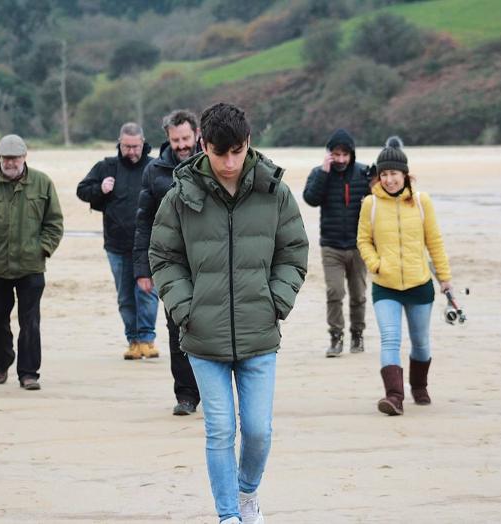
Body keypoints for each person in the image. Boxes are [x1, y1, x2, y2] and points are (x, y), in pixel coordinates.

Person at [149, 103, 308, 524]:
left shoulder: (274, 191)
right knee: (220, 429)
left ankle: (246, 493)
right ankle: (228, 517)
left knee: (257, 431)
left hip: (259, 334)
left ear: (248, 143)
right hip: (203, 336)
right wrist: (186, 308)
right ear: (204, 145)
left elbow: (293, 251)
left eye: (237, 151)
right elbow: (164, 256)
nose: (230, 162)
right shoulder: (180, 195)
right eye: (221, 153)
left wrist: (276, 301)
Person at [0, 134, 64, 390]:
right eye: (5, 158)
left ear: (24, 157)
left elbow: (55, 223)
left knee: (30, 322)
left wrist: (43, 249)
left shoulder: (42, 183)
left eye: (14, 158)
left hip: (31, 267)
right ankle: (2, 363)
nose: (10, 163)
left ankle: (29, 374)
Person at [357, 136, 453, 416]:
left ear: (405, 175)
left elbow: (434, 241)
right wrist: (375, 265)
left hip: (419, 284)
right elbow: (363, 240)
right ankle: (394, 397)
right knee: (389, 339)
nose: (389, 180)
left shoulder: (422, 202)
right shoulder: (370, 204)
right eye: (384, 174)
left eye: (394, 174)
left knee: (421, 342)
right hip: (385, 285)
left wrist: (445, 278)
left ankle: (419, 386)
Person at [133, 109, 202, 416]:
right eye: (175, 140)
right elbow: (144, 221)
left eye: (186, 138)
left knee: (212, 328)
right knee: (177, 330)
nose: (181, 144)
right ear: (168, 139)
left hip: (208, 261)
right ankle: (186, 396)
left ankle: (214, 392)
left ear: (197, 134)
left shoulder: (213, 162)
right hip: (171, 264)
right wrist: (142, 269)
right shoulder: (155, 171)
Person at [76, 123, 159, 360]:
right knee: (125, 297)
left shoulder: (154, 167)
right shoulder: (107, 167)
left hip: (148, 246)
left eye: (135, 146)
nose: (131, 151)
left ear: (143, 143)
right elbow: (82, 190)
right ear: (119, 144)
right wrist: (100, 189)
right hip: (116, 245)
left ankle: (147, 339)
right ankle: (133, 341)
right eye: (126, 146)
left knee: (148, 293)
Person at [303, 128, 372, 357]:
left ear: (352, 154)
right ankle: (336, 337)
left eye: (345, 155)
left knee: (359, 295)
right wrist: (324, 173)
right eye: (337, 155)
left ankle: (357, 335)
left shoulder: (363, 174)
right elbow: (310, 199)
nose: (341, 159)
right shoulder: (319, 173)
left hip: (359, 245)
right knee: (335, 292)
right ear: (330, 154)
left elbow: (380, 201)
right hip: (331, 245)